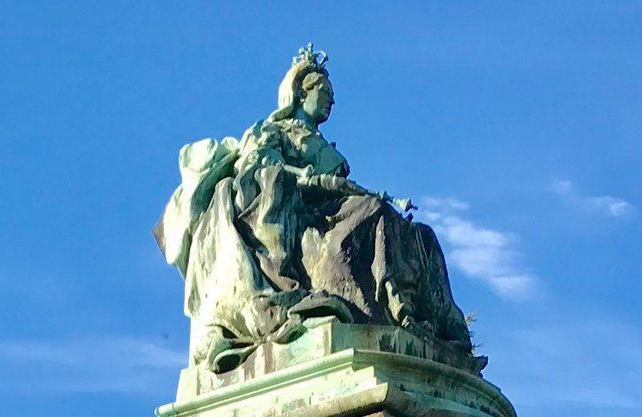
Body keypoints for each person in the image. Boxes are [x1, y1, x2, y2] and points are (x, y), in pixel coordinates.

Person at [158, 47, 481, 377]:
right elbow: (259, 165)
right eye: (324, 92)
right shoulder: (274, 131)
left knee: (417, 234)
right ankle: (371, 300)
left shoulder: (326, 146)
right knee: (370, 210)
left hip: (329, 205)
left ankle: (424, 316)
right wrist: (305, 178)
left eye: (333, 96)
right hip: (297, 206)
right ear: (301, 92)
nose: (331, 101)